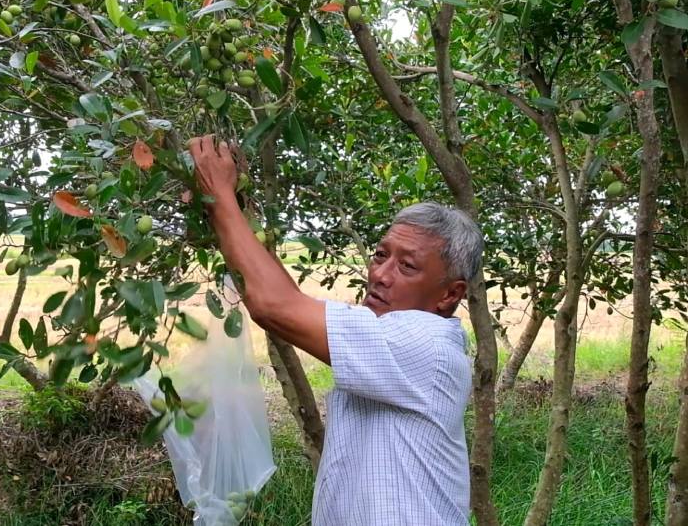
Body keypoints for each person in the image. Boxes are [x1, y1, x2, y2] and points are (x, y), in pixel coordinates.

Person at [188, 134, 480, 525]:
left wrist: (220, 197)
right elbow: (280, 293)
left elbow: (275, 305)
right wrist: (234, 208)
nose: (380, 275)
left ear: (450, 294)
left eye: (407, 266)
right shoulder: (385, 337)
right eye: (380, 255)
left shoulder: (423, 344)